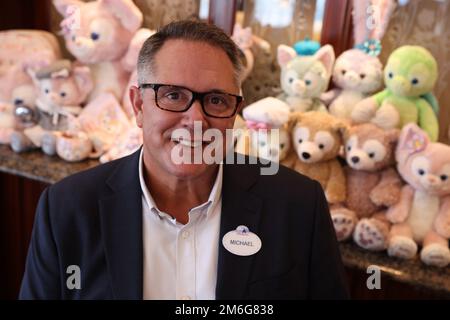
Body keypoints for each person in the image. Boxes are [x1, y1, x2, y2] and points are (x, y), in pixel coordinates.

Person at [19, 20, 349, 300]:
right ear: (138, 105)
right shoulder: (66, 208)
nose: (195, 121)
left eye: (216, 100)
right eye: (173, 95)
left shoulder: (299, 205)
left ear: (234, 113)